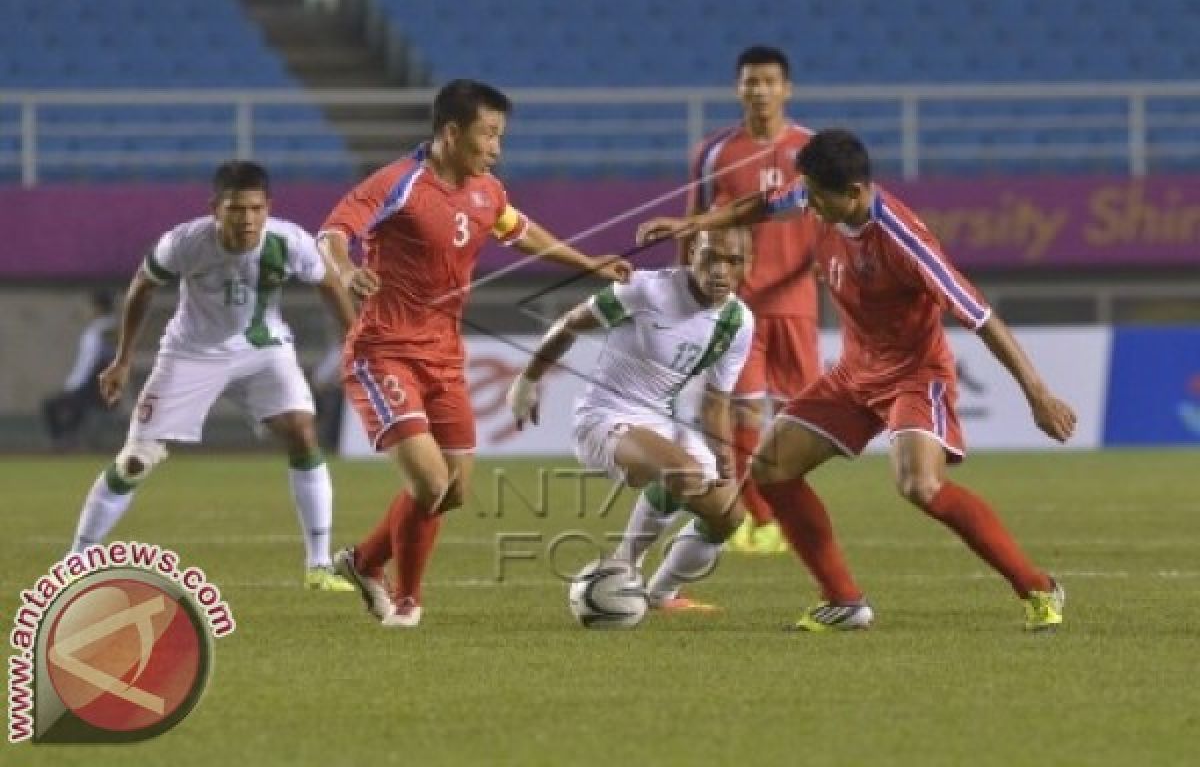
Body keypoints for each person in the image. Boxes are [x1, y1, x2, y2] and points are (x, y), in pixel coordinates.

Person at [637, 129, 1077, 632]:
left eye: (818, 198)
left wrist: (1038, 395)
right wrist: (694, 224)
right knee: (771, 469)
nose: (810, 206)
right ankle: (843, 601)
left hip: (914, 375)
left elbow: (980, 317)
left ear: (854, 192)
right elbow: (758, 205)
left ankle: (1038, 588)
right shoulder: (816, 194)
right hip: (852, 374)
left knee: (920, 485)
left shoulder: (905, 240)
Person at [322, 79, 632, 627]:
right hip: (384, 352)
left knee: (455, 491)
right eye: (488, 135)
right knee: (430, 483)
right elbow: (331, 234)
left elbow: (519, 230)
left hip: (444, 356)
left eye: (500, 136)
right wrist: (348, 269)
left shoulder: (487, 190)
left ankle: (366, 563)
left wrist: (586, 263)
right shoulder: (399, 183)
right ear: (451, 132)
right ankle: (408, 600)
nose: (496, 147)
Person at [67, 160, 359, 592]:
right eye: (236, 209)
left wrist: (356, 342)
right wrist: (124, 360)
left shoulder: (289, 241)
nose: (247, 219)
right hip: (191, 353)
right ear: (215, 208)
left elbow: (330, 285)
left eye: (256, 209)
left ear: (268, 207)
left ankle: (318, 565)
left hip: (262, 350)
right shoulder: (186, 242)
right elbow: (141, 286)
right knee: (135, 460)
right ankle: (75, 562)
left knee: (302, 431)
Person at [508, 228, 754, 611]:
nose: (720, 271)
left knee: (728, 515)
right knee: (682, 472)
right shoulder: (646, 290)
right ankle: (625, 565)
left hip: (663, 424)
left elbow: (715, 402)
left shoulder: (738, 321)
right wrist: (529, 378)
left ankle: (661, 594)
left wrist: (726, 462)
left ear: (747, 267)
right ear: (692, 255)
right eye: (711, 258)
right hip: (603, 418)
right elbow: (572, 322)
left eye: (734, 261)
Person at [681, 45, 822, 555]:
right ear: (738, 88)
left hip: (798, 304)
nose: (759, 90)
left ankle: (776, 509)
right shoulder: (713, 153)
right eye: (750, 81)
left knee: (797, 420)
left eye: (769, 81)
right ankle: (754, 518)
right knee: (738, 413)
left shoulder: (812, 150)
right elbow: (693, 224)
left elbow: (834, 217)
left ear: (787, 88)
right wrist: (687, 290)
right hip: (736, 307)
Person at [42, 289, 118, 449]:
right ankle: (64, 441)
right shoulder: (95, 329)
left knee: (70, 410)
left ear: (98, 307)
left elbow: (108, 360)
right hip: (80, 385)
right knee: (55, 407)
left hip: (92, 386)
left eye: (91, 306)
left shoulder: (108, 329)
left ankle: (66, 442)